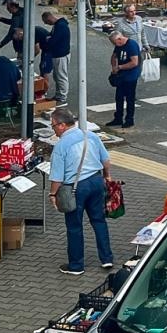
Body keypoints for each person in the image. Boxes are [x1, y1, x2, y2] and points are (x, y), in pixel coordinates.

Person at [47, 108, 114, 275]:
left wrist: (53, 194)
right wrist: (107, 176)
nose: (53, 129)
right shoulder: (90, 135)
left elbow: (57, 177)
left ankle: (76, 265)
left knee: (74, 226)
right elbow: (105, 160)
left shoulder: (61, 146)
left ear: (62, 125)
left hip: (75, 188)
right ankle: (107, 258)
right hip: (96, 181)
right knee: (99, 220)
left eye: (53, 125)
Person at [109, 30, 142, 127]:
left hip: (131, 75)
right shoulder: (118, 46)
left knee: (130, 98)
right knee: (119, 97)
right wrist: (114, 67)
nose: (115, 45)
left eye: (115, 43)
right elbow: (114, 56)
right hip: (121, 75)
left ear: (119, 39)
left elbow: (134, 62)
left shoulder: (131, 45)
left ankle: (129, 119)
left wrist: (119, 67)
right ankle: (118, 117)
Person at [42, 9, 71, 104]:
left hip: (60, 54)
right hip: (58, 54)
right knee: (57, 76)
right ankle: (59, 94)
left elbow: (52, 40)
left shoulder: (60, 27)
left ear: (49, 19)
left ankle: (62, 96)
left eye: (47, 22)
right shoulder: (59, 25)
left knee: (61, 76)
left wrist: (49, 40)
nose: (48, 24)